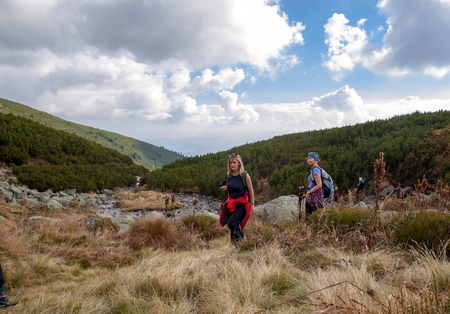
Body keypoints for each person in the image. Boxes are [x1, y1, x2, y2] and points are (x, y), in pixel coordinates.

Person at [219, 153, 255, 245]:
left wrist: (252, 205)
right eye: (231, 163)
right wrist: (225, 188)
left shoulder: (244, 175)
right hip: (231, 204)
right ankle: (235, 246)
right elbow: (229, 188)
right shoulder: (228, 175)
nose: (232, 165)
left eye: (234, 162)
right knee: (232, 227)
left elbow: (251, 191)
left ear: (239, 163)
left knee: (231, 223)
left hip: (241, 204)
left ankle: (243, 239)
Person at [301, 152, 324, 219]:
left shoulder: (315, 170)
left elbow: (319, 185)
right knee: (312, 216)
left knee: (311, 217)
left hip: (314, 198)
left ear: (315, 159)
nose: (309, 160)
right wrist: (306, 194)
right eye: (308, 159)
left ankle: (311, 228)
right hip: (313, 196)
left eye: (311, 158)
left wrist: (309, 192)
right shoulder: (314, 170)